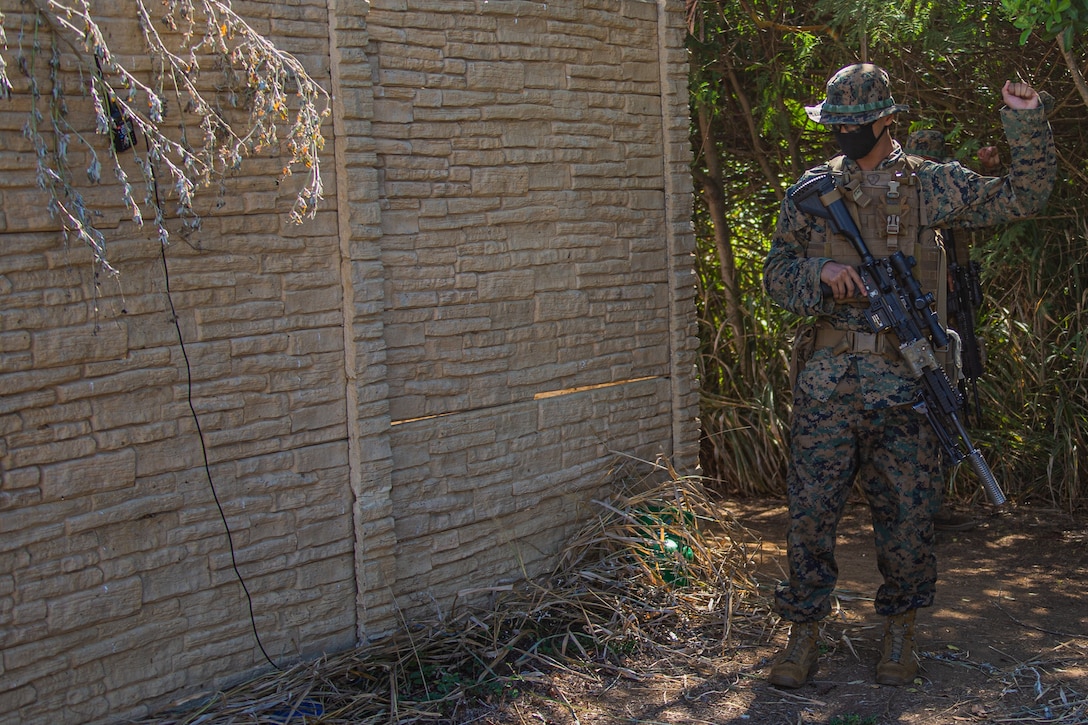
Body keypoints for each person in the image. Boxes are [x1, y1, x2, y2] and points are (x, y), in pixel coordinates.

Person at [763, 63, 1055, 689]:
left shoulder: (932, 185)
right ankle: (804, 631)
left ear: (885, 122)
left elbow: (1024, 196)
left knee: (909, 515)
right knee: (810, 514)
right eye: (834, 126)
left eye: (853, 126)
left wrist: (1025, 123)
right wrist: (817, 276)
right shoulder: (810, 194)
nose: (842, 136)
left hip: (907, 380)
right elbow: (775, 276)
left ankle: (900, 633)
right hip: (827, 382)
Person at [903, 129, 1000, 533]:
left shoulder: (940, 194)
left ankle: (929, 504)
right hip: (915, 325)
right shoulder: (908, 198)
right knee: (928, 408)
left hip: (945, 321)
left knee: (945, 404)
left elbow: (977, 204)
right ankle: (919, 508)